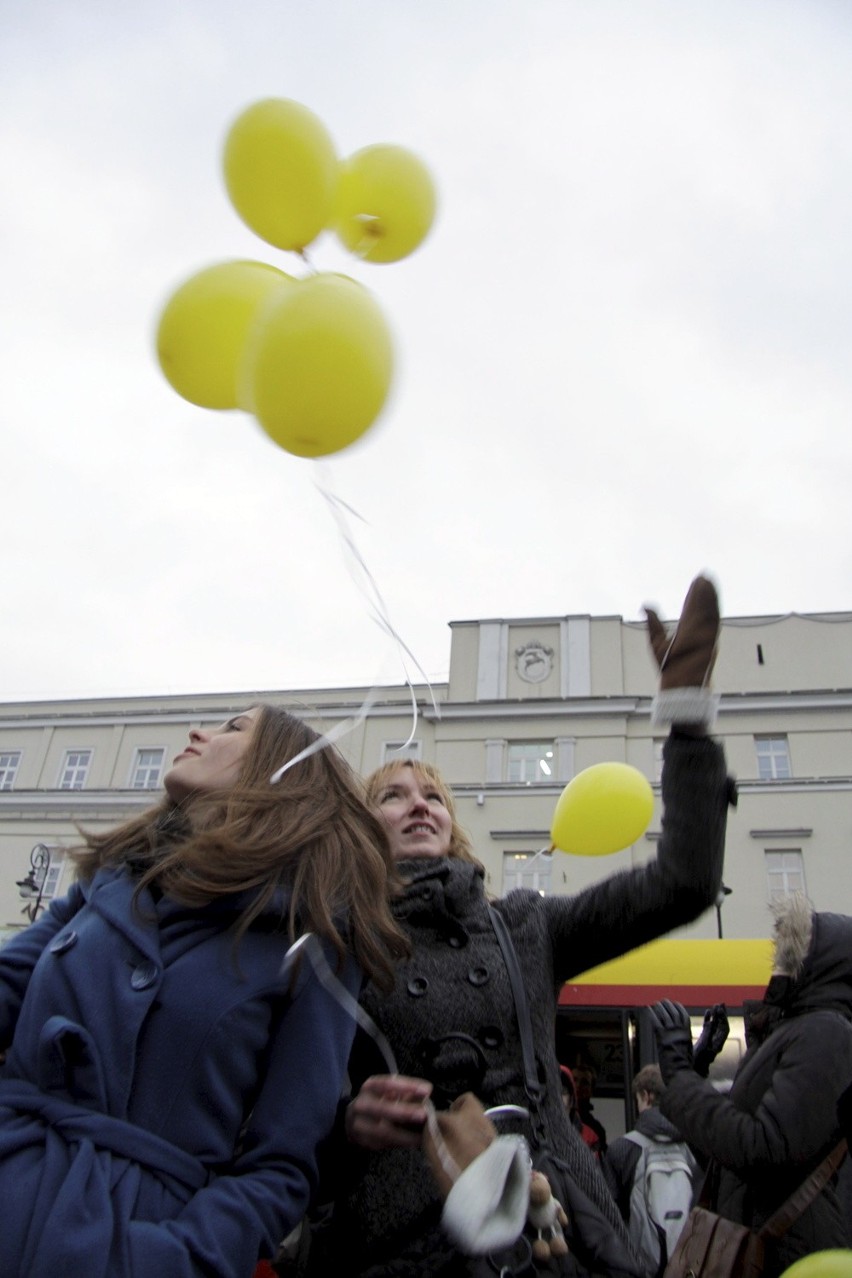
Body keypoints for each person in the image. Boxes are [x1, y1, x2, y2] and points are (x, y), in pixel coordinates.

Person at [320, 576, 735, 1277]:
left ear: (452, 825)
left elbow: (682, 884)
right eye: (392, 797)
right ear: (363, 829)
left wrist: (688, 718)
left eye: (433, 797)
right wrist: (347, 1127)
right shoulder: (332, 944)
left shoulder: (524, 927)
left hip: (563, 1238)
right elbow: (276, 1122)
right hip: (406, 1247)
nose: (419, 806)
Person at [0, 704, 407, 1278]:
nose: (199, 734)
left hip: (131, 1239)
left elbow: (282, 1165)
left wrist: (172, 1258)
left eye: (233, 729)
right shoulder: (105, 883)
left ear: (283, 770)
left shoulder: (313, 943)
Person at [650, 893, 852, 1275]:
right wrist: (694, 1074)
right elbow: (725, 1162)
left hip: (787, 1253)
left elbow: (763, 1150)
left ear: (821, 963)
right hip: (759, 1243)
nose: (778, 960)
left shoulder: (825, 1032)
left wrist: (678, 1076)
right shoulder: (793, 1030)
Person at [602, 1065, 697, 1277]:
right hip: (687, 1268)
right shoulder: (695, 1147)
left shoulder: (621, 1149)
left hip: (641, 1267)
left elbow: (610, 1217)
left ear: (646, 1096)